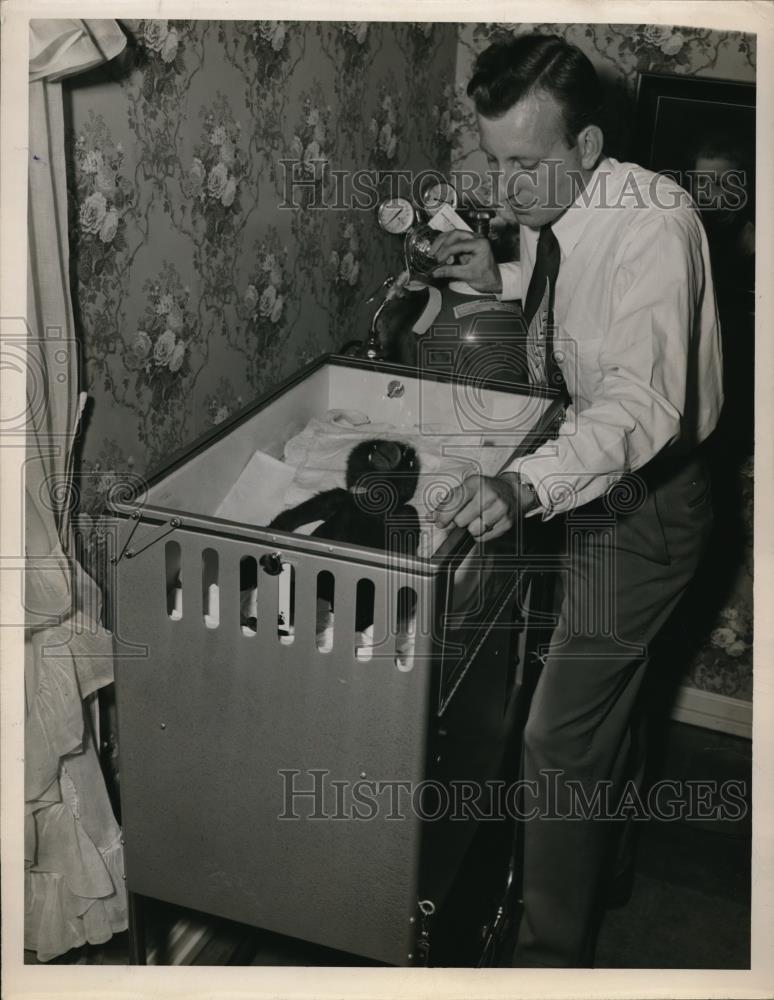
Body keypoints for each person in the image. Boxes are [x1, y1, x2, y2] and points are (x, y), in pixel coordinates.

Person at [428, 34, 724, 967]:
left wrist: (522, 483)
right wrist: (500, 278)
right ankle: (610, 865)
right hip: (596, 491)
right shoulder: (571, 210)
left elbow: (641, 404)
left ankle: (547, 959)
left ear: (589, 149)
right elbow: (575, 302)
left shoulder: (656, 224)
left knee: (557, 737)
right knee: (608, 710)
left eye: (524, 166)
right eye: (493, 161)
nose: (505, 190)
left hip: (649, 504)